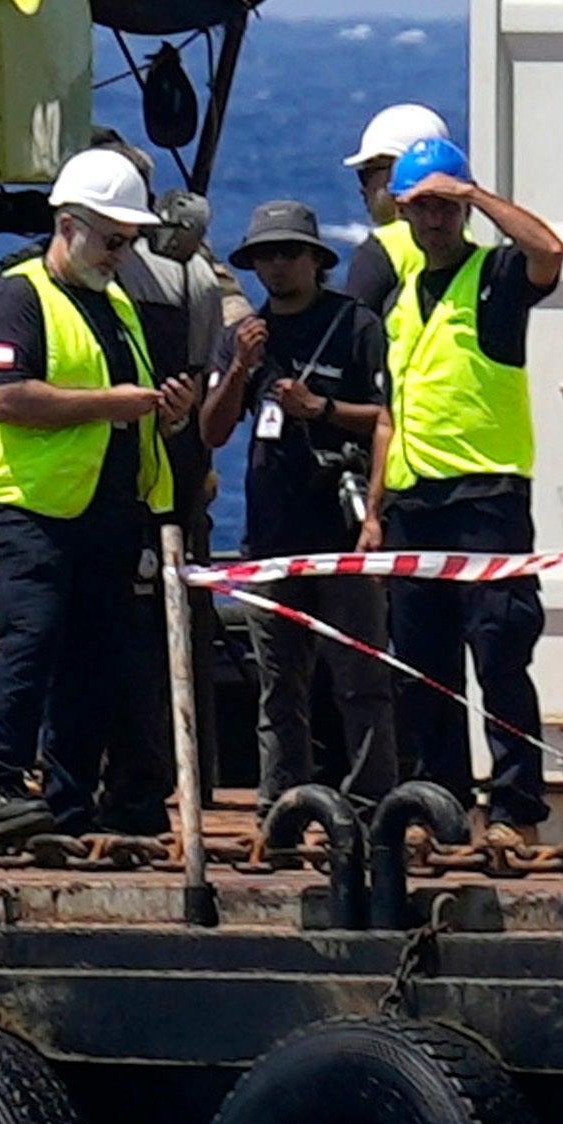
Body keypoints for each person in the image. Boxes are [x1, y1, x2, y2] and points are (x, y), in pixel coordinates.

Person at [0, 147, 218, 837]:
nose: (119, 255)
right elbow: (7, 397)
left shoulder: (117, 304)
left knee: (94, 659)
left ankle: (66, 800)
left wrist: (170, 411)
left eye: (127, 243)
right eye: (110, 240)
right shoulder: (18, 296)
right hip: (32, 510)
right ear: (67, 225)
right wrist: (111, 404)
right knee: (31, 644)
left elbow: (131, 401)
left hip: (104, 513)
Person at [358, 104, 563, 828]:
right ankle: (442, 805)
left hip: (486, 500)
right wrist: (374, 510)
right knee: (424, 668)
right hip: (416, 505)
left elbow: (551, 253)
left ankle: (516, 807)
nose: (435, 220)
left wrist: (474, 192)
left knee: (501, 652)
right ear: (403, 210)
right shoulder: (400, 297)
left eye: (446, 207)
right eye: (422, 207)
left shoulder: (497, 277)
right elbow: (389, 411)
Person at [222, 193, 384, 784]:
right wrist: (239, 368)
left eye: (289, 253)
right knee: (278, 689)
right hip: (270, 539)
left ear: (315, 260)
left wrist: (321, 408)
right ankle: (282, 808)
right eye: (264, 256)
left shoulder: (356, 325)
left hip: (340, 537)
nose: (277, 267)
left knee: (361, 682)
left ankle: (371, 810)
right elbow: (214, 430)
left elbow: (389, 417)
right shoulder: (248, 336)